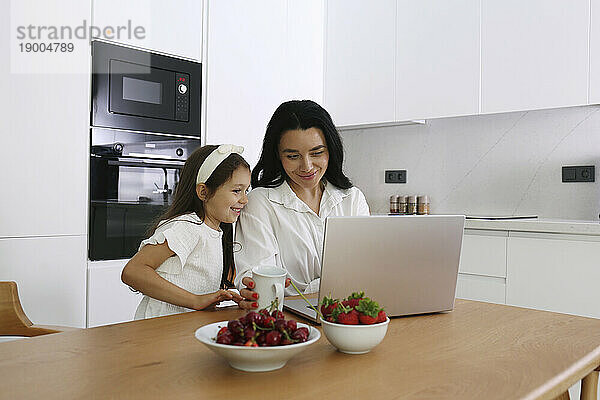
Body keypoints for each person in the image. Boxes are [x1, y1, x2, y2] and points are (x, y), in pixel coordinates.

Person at [234, 100, 370, 309]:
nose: (307, 166)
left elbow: (367, 271)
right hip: (287, 322)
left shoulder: (352, 199)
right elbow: (261, 283)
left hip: (348, 317)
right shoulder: (260, 203)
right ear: (278, 156)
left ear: (331, 150)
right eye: (293, 156)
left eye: (317, 153)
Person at [122, 144, 249, 319]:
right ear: (203, 192)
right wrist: (195, 301)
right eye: (237, 191)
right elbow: (133, 271)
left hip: (183, 328)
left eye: (246, 190)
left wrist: (233, 294)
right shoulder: (186, 226)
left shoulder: (215, 232)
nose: (245, 199)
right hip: (158, 330)